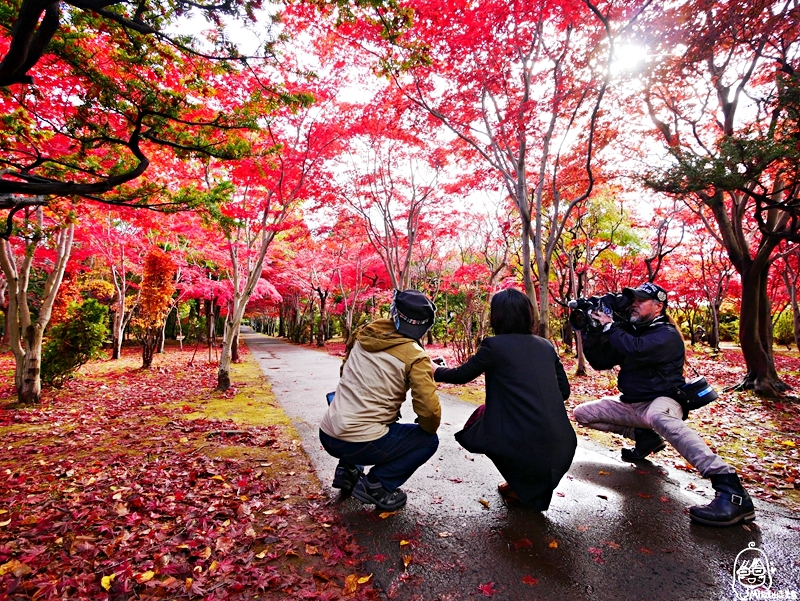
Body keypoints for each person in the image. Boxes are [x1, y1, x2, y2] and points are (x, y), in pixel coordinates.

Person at [572, 281, 755, 527]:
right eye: (632, 300)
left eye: (640, 301)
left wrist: (610, 327)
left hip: (664, 400)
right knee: (582, 413)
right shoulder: (630, 331)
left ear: (658, 307)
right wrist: (590, 331)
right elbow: (601, 362)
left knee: (658, 416)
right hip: (633, 404)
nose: (634, 305)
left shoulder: (665, 334)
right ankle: (644, 436)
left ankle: (730, 487)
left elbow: (634, 348)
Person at [433, 288, 576, 510]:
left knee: (483, 421)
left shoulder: (494, 346)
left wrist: (435, 370)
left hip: (522, 442)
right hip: (563, 445)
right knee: (498, 419)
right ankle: (520, 486)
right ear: (528, 314)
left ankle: (522, 486)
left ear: (497, 316)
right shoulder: (546, 346)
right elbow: (564, 392)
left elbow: (461, 376)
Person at [319, 289, 441, 511]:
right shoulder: (416, 356)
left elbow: (345, 372)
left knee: (357, 411)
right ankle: (377, 485)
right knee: (428, 440)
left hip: (327, 433)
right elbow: (430, 412)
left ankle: (347, 471)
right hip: (363, 442)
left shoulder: (365, 333)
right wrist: (424, 428)